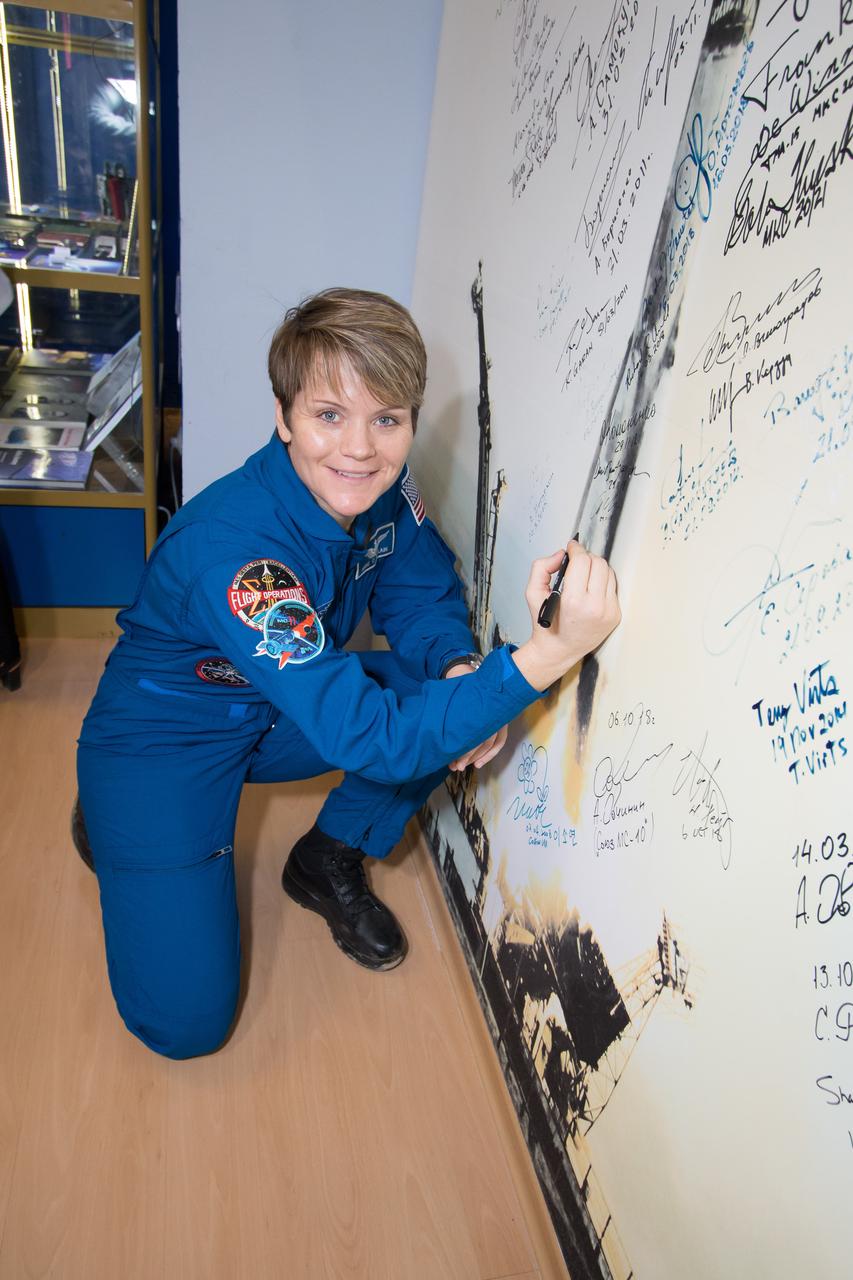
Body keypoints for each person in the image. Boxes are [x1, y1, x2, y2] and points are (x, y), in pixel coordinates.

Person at [75, 287, 621, 1060]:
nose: (360, 448)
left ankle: (325, 857)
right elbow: (372, 739)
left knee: (443, 700)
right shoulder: (236, 553)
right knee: (185, 1027)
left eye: (387, 419)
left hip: (285, 708)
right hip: (166, 736)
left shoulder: (383, 490)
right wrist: (545, 656)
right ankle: (113, 814)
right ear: (284, 416)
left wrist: (463, 668)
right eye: (330, 415)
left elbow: (422, 594)